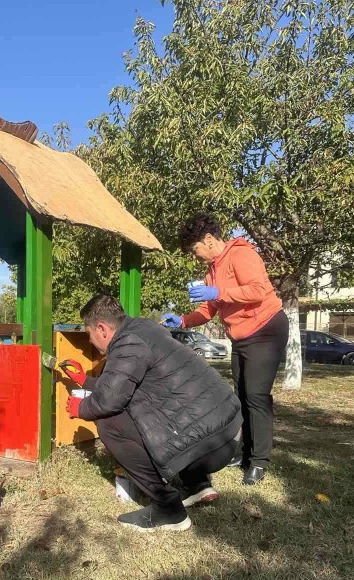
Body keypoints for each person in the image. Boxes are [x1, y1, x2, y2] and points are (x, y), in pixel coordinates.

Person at [62, 294, 242, 533]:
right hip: (227, 431)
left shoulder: (128, 344)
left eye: (89, 334)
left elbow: (109, 401)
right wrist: (85, 381)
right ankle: (198, 485)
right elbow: (123, 385)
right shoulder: (144, 329)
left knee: (108, 422)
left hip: (210, 445)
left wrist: (81, 408)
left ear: (102, 329)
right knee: (167, 415)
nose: (90, 340)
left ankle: (168, 509)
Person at [162, 213, 288, 485]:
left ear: (208, 240)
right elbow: (208, 310)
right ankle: (244, 454)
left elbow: (256, 290)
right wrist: (183, 320)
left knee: (256, 396)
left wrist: (217, 291)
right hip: (241, 337)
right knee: (240, 396)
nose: (195, 256)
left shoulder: (242, 254)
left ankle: (259, 461)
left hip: (266, 328)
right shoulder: (212, 270)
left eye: (194, 249)